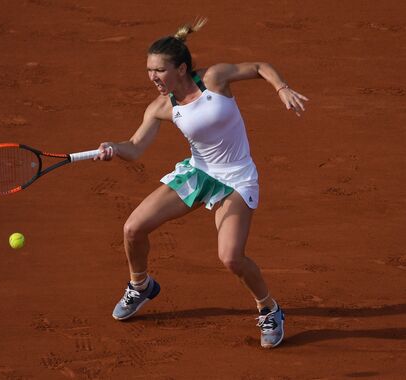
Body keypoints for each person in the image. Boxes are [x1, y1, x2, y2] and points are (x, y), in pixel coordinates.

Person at [94, 18, 308, 349]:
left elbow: (260, 66)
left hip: (236, 178)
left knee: (231, 258)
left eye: (159, 70)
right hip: (198, 173)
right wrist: (113, 148)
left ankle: (269, 308)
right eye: (149, 70)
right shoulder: (162, 108)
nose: (153, 77)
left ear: (181, 69)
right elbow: (135, 148)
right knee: (133, 229)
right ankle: (141, 286)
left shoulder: (214, 79)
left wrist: (282, 88)